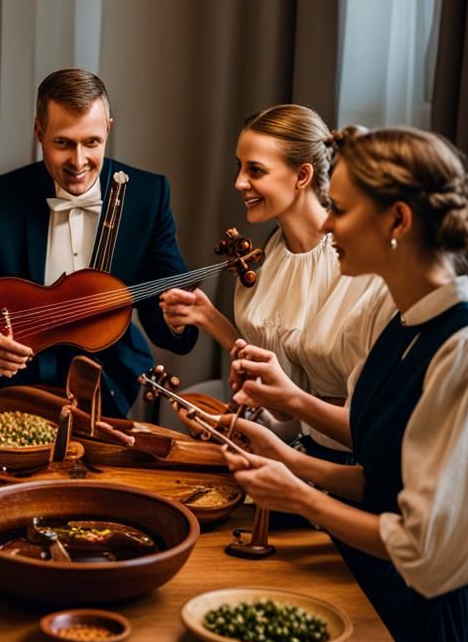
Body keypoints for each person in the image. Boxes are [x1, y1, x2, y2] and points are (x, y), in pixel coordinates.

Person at [170, 126, 468, 642]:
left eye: (340, 210)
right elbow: (379, 477)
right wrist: (287, 457)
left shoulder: (465, 352)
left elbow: (424, 550)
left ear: (397, 221)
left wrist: (301, 495)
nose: (329, 226)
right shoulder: (404, 327)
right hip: (374, 591)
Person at [0, 68, 197, 417]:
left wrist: (177, 319)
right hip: (17, 384)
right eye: (63, 143)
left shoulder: (148, 196)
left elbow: (162, 311)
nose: (78, 161)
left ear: (108, 129)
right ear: (39, 132)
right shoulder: (1, 196)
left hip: (109, 385)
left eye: (92, 142)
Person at [160, 105, 393, 457]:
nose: (239, 182)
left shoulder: (357, 263)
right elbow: (286, 416)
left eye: (255, 170)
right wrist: (209, 319)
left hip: (355, 466)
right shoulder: (269, 258)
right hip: (299, 454)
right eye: (239, 167)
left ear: (302, 176)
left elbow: (367, 425)